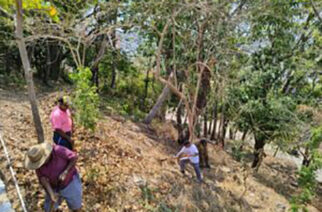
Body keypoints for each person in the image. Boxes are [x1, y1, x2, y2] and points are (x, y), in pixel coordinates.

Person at [25, 143, 82, 212]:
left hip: (70, 182)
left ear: (46, 155)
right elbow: (42, 179)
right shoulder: (38, 164)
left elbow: (74, 157)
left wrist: (66, 171)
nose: (41, 164)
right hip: (54, 187)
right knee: (48, 209)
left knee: (75, 206)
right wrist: (51, 193)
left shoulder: (58, 151)